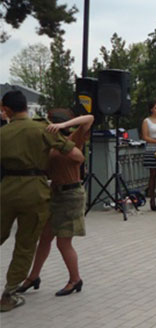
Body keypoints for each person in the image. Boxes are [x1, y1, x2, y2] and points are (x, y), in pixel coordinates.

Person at [0, 90, 84, 312]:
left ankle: (31, 279)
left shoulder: (3, 133)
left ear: (6, 109)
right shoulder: (41, 129)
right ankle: (8, 295)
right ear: (26, 107)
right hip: (35, 191)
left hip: (7, 189)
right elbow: (76, 155)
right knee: (26, 243)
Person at [17, 111, 94, 298]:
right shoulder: (48, 145)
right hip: (55, 194)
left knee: (63, 242)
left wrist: (64, 125)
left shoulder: (72, 140)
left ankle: (75, 279)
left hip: (71, 194)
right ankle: (33, 277)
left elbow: (89, 118)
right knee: (44, 237)